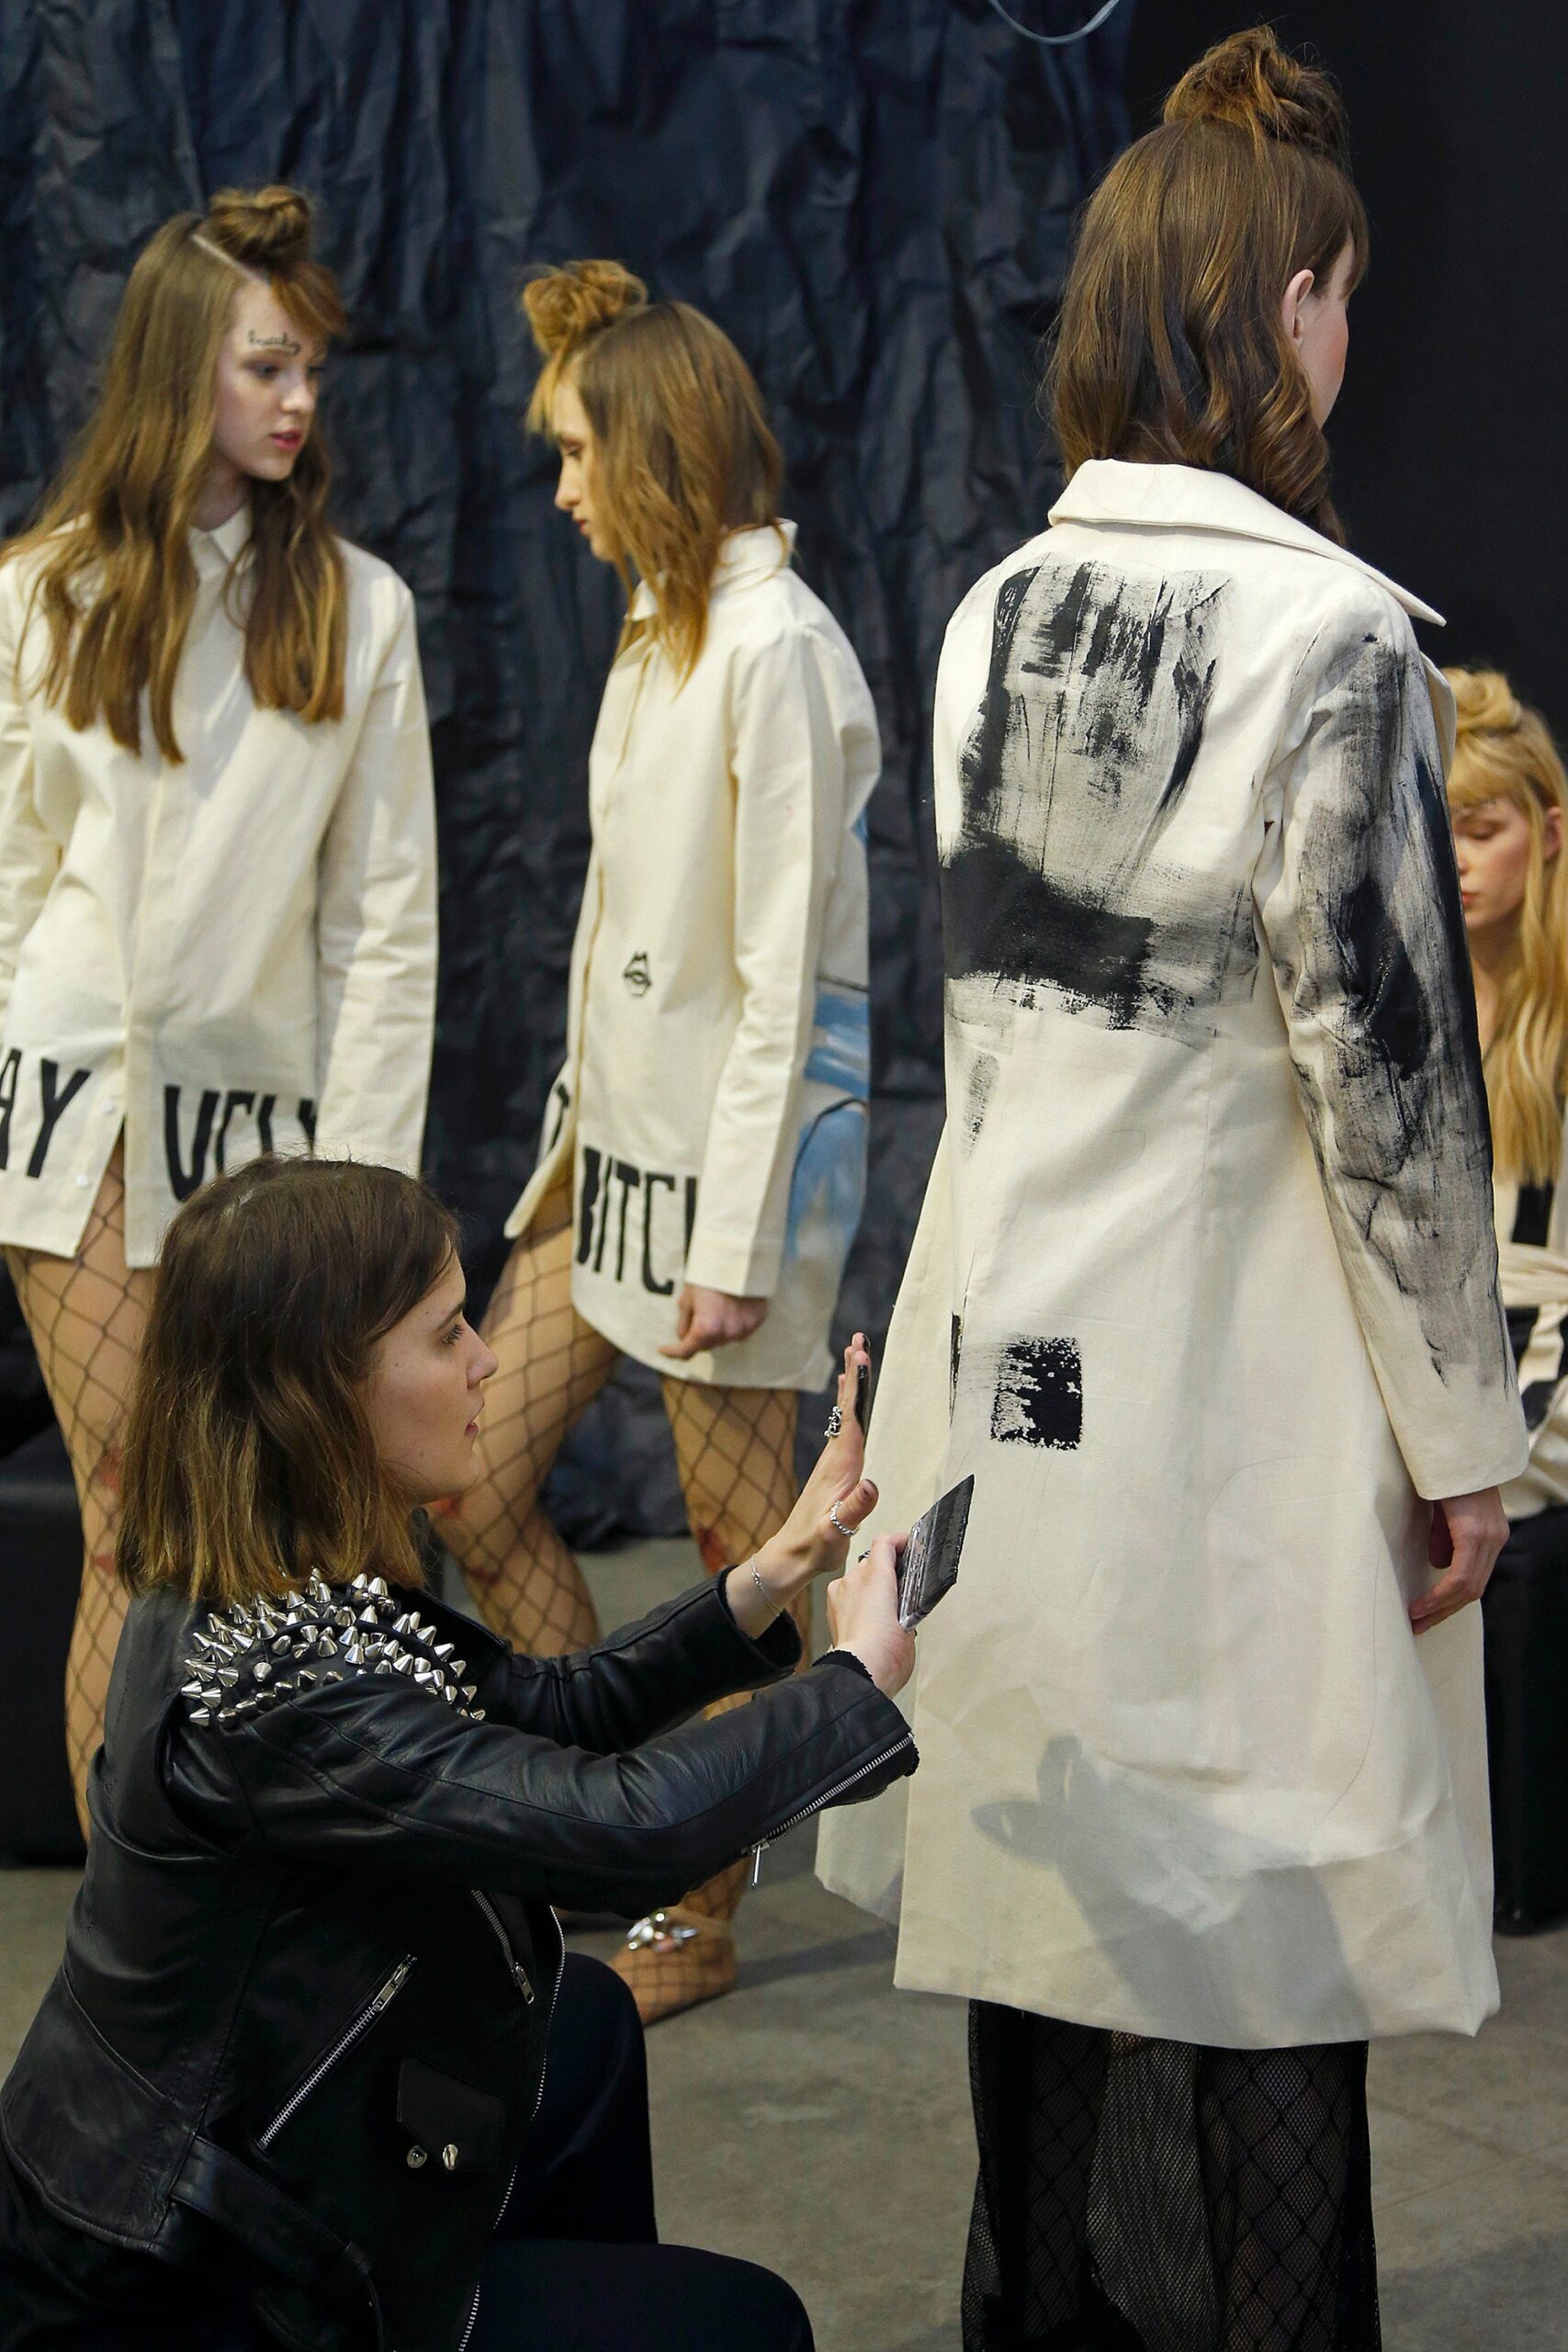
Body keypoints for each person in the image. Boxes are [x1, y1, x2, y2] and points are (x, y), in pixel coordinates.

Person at [818, 28, 1525, 2350]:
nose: (1344, 340)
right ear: (1273, 316)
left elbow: (983, 1055)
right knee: (1258, 1953)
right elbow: (1391, 1097)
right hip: (1228, 1393)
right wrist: (1465, 1447)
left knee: (1050, 1939)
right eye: (1327, 297)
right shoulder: (1330, 639)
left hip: (1005, 1381)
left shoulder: (981, 611)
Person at [0, 1153, 917, 2352]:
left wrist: (773, 1572)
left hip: (236, 2167)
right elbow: (624, 1832)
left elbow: (542, 1704)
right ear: (321, 1391)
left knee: (578, 2025)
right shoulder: (275, 1685)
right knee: (749, 2324)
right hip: (188, 2285)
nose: (486, 1358)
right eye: (444, 1337)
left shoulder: (283, 1564)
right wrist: (851, 1687)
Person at [438, 260, 880, 2022]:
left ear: (659, 450)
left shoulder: (777, 648)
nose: (558, 491)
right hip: (606, 1161)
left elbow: (786, 978)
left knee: (738, 1549)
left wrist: (727, 1240)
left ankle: (699, 1889)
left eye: (576, 455)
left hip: (729, 1181)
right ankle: (609, 1818)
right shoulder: (660, 623)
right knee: (470, 1478)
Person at [0, 186, 437, 1829]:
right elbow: (10, 884)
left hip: (266, 1146)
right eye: (266, 364)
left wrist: (368, 1202)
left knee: (296, 1539)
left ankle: (278, 1922)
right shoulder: (43, 593)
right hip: (74, 1122)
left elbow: (386, 930)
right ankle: (133, 1950)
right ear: (181, 369)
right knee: (128, 1515)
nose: (299, 399)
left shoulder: (357, 608)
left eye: (311, 366)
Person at [1447, 667, 1568, 1930]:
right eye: (1437, 830)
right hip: (1453, 1323)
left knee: (1475, 1468)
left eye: (1482, 828)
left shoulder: (1560, 1006)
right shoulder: (1419, 992)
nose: (1458, 861)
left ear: (1548, 828)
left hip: (1549, 1340)